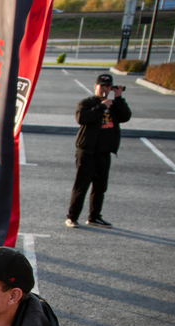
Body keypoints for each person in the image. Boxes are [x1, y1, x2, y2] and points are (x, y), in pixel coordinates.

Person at [65, 73, 131, 229]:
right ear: (95, 86)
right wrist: (101, 106)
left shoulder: (113, 105)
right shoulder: (87, 103)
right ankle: (72, 217)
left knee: (100, 186)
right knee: (82, 185)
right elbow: (81, 118)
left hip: (104, 151)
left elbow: (126, 116)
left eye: (108, 86)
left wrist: (119, 97)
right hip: (86, 151)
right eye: (102, 86)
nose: (105, 89)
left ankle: (94, 216)